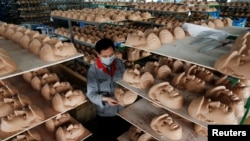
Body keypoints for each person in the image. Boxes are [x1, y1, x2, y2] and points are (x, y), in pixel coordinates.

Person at [86, 38, 130, 141]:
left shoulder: (119, 64)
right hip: (105, 113)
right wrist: (106, 99)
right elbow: (91, 94)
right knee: (107, 137)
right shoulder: (93, 71)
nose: (109, 58)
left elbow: (125, 83)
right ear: (97, 54)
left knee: (123, 135)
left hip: (122, 109)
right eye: (105, 56)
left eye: (111, 55)